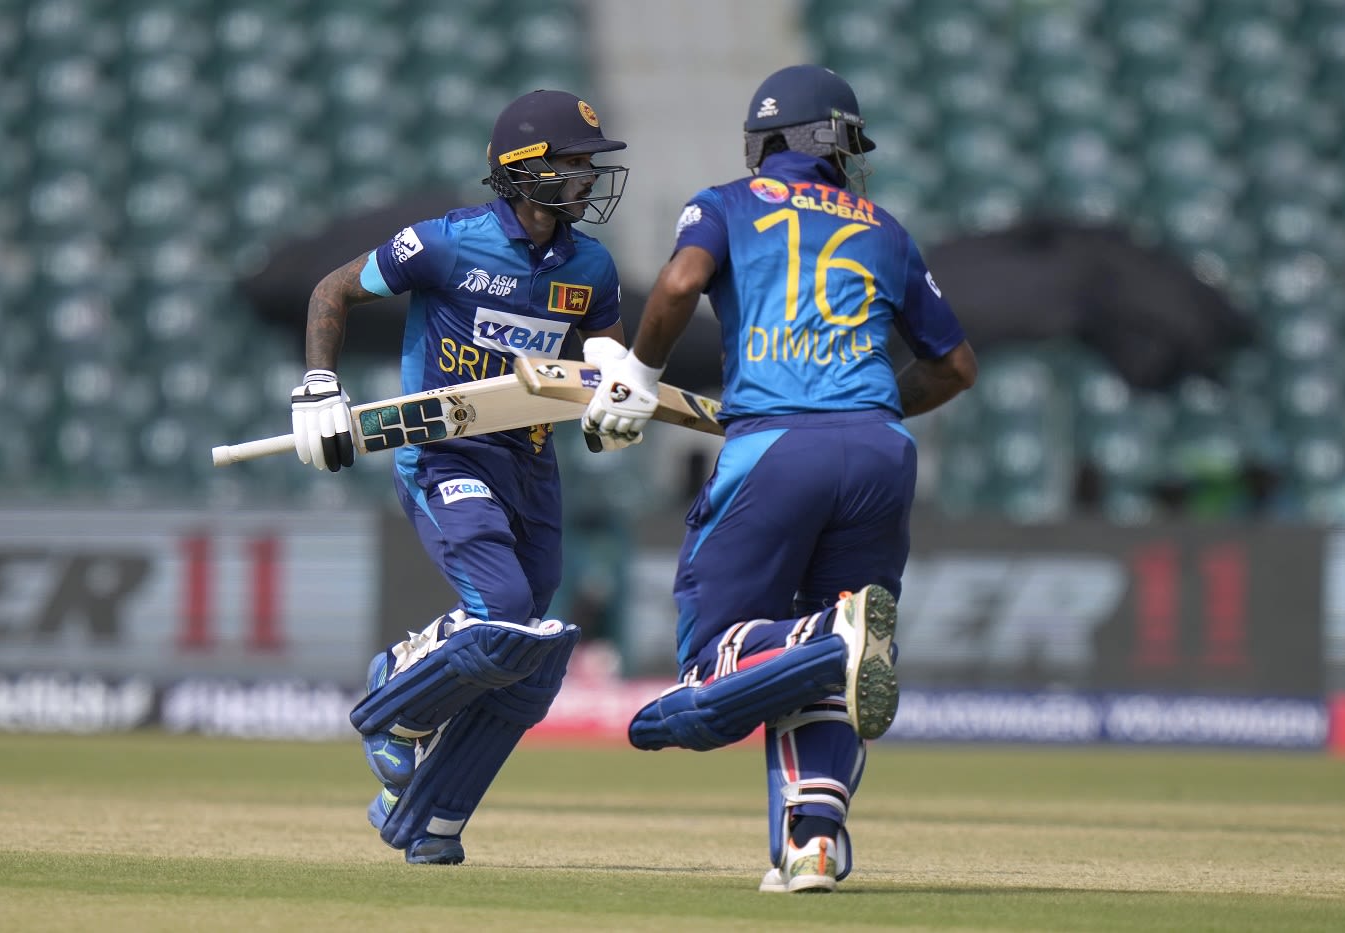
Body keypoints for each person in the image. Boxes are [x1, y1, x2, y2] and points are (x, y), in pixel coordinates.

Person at [583, 64, 978, 893]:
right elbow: (956, 366)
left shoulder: (726, 201)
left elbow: (682, 282)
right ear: (834, 144)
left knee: (710, 666)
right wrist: (868, 412)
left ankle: (821, 636)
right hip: (879, 451)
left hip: (776, 445)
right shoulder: (888, 228)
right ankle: (815, 843)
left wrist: (639, 379)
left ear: (764, 142)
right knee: (831, 672)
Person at [289, 88, 636, 865]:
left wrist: (615, 395)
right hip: (444, 451)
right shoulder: (446, 244)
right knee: (505, 608)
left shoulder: (591, 265)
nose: (587, 178)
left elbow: (603, 360)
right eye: (573, 163)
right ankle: (393, 694)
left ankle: (423, 814)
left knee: (530, 657)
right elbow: (333, 288)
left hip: (532, 462)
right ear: (522, 170)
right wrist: (318, 385)